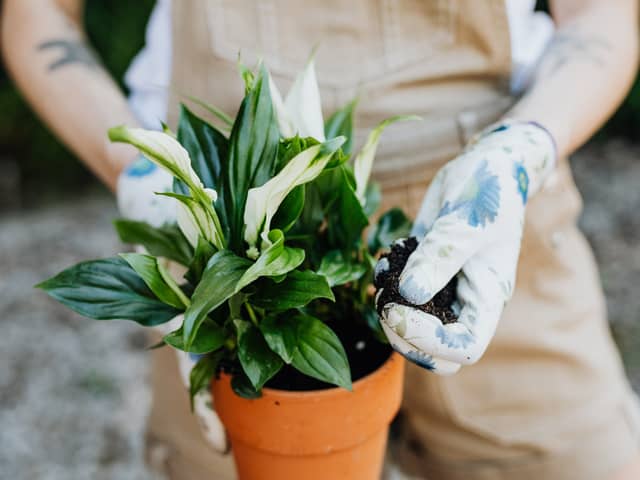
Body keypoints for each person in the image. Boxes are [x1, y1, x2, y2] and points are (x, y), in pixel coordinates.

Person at [3, 0, 640, 478]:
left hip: (478, 205)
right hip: (229, 214)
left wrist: (519, 152)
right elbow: (38, 18)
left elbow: (599, 20)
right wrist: (142, 172)